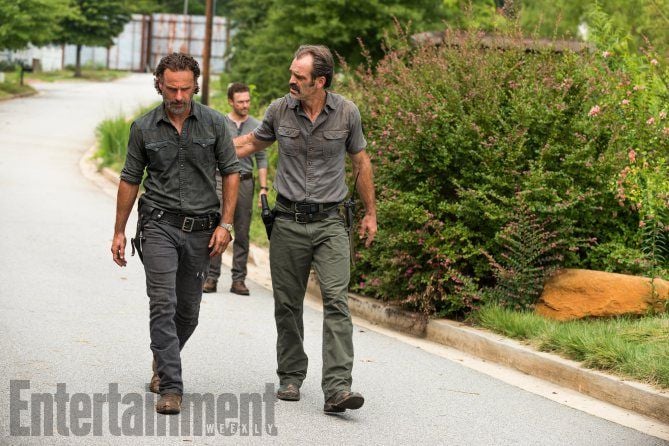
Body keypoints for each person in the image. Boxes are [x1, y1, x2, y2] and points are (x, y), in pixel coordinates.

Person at [234, 44, 377, 413]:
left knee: (336, 300)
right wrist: (205, 149)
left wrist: (370, 213)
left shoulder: (346, 112)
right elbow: (252, 142)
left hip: (331, 222)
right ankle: (291, 376)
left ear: (320, 81)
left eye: (299, 76)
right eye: (292, 73)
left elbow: (361, 162)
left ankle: (338, 388)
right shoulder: (279, 110)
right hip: (287, 221)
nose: (291, 80)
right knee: (287, 303)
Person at [111, 53, 240, 415]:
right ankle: (171, 385)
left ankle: (163, 358)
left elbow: (231, 172)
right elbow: (130, 179)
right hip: (158, 225)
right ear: (159, 85)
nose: (179, 96)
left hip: (201, 230)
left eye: (185, 89)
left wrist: (226, 224)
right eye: (171, 89)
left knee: (188, 312)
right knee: (162, 303)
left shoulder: (215, 123)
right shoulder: (143, 127)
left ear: (195, 86)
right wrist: (119, 231)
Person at [203, 82, 268, 296]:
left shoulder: (257, 126)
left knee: (242, 231)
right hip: (220, 180)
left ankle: (238, 279)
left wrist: (263, 188)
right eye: (240, 102)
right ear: (231, 101)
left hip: (245, 182)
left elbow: (261, 158)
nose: (245, 105)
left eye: (248, 101)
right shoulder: (220, 123)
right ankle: (211, 277)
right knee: (217, 226)